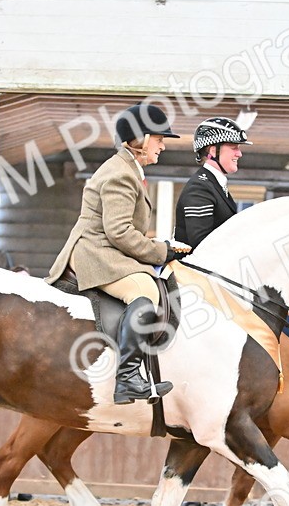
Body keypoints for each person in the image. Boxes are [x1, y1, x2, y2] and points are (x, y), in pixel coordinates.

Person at [47, 101, 189, 405]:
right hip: (96, 253)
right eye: (159, 139)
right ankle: (127, 378)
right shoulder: (120, 174)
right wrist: (161, 251)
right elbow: (119, 232)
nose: (163, 147)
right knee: (146, 290)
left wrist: (162, 245)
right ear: (140, 140)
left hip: (105, 247)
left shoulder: (127, 169)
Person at [174, 117, 252, 249]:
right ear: (212, 150)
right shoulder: (199, 188)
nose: (239, 154)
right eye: (234, 147)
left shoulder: (213, 184)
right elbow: (201, 243)